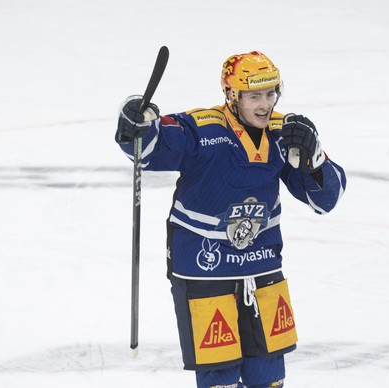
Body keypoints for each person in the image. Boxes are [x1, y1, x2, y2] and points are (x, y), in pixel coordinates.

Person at [115, 51, 346, 388]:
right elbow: (150, 146)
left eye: (270, 94)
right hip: (204, 269)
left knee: (269, 378)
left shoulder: (285, 134)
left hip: (263, 268)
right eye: (254, 96)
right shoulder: (201, 129)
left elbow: (326, 200)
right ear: (231, 95)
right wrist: (136, 124)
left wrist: (314, 157)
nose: (265, 104)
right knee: (219, 381)